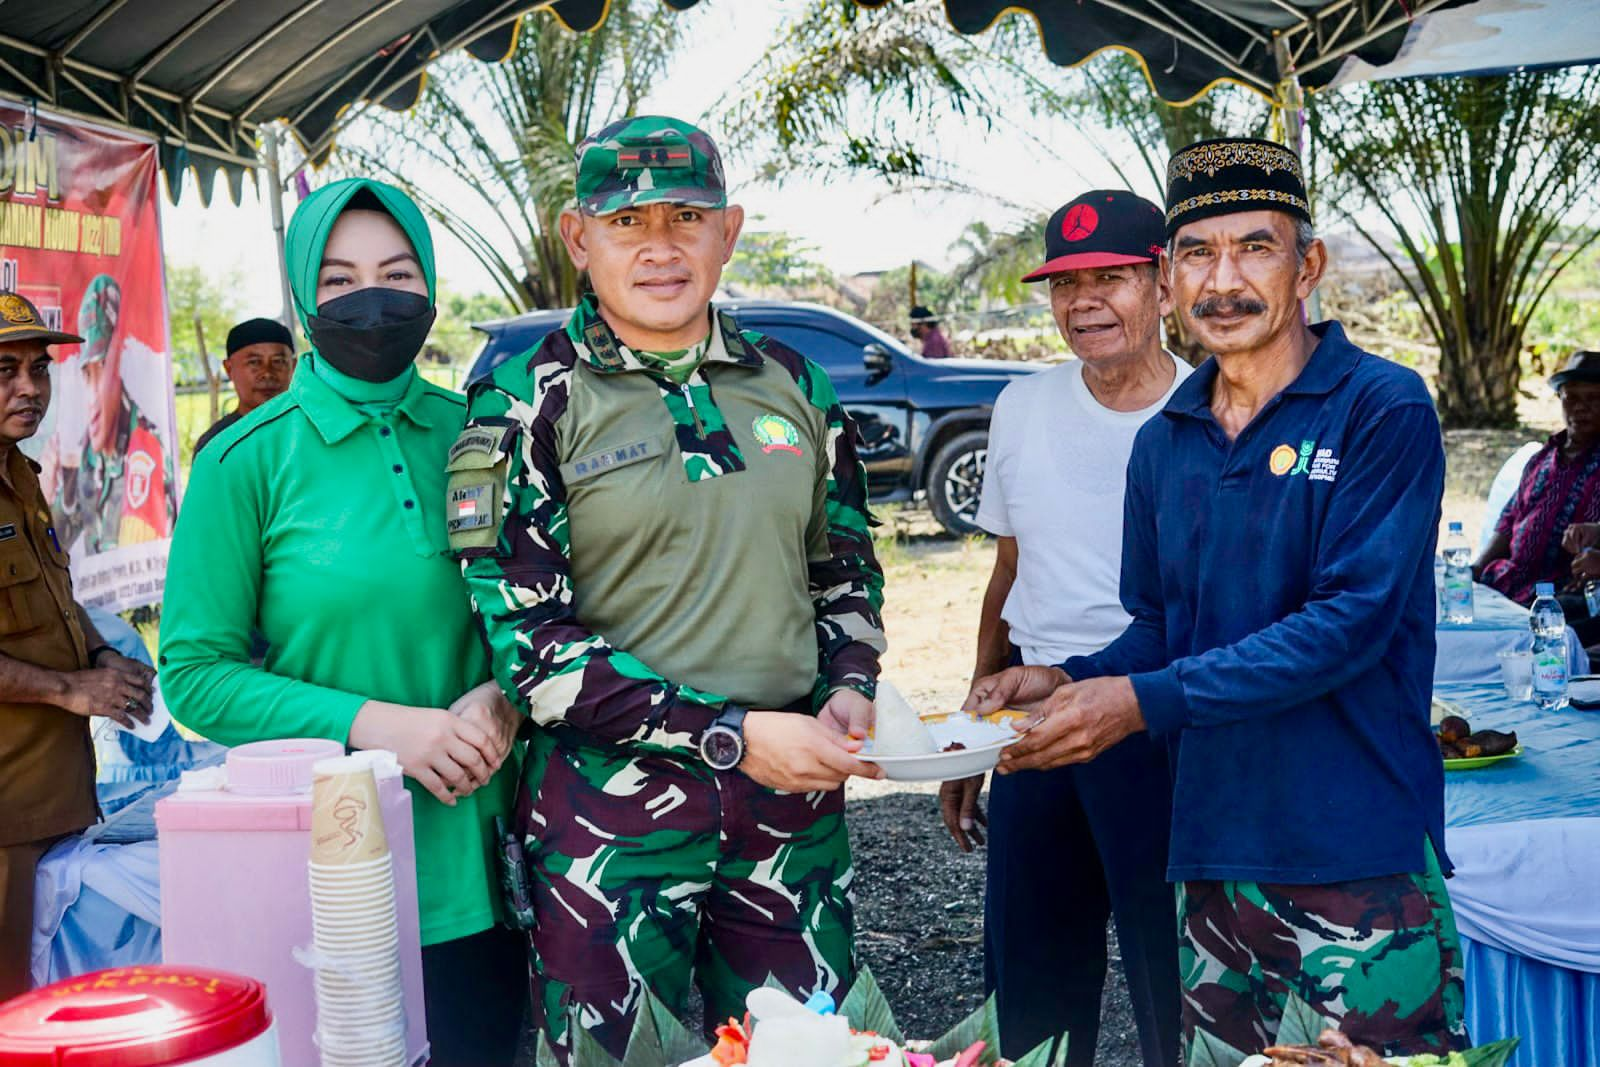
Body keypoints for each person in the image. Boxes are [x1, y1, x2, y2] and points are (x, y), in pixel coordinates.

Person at [969, 138, 1466, 1059]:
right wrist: (1059, 678)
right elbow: (1159, 625)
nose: (1223, 279)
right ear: (1172, 279)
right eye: (1198, 252)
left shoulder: (1381, 408)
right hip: (1210, 866)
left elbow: (1349, 620)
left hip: (1352, 857)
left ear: (1307, 264)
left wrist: (1135, 701)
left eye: (1256, 247)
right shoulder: (1171, 436)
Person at [452, 115, 887, 1060]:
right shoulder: (527, 401)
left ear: (727, 232)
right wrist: (731, 736)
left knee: (808, 1055)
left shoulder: (796, 385)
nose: (660, 247)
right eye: (628, 222)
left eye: (686, 218)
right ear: (579, 237)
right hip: (609, 821)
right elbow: (532, 652)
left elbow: (842, 564)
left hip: (792, 812)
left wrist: (851, 681)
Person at [159, 179, 524, 1063]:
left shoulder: (483, 434)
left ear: (431, 285)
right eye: (339, 280)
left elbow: (549, 609)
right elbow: (195, 673)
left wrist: (504, 697)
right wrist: (377, 729)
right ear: (300, 294)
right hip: (334, 875)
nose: (373, 299)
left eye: (398, 274)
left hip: (494, 860)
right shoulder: (246, 461)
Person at [940, 190, 1185, 1065]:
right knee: (1031, 988)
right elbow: (1009, 571)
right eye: (1065, 282)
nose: (1085, 301)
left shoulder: (1211, 412)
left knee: (1178, 981)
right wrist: (971, 732)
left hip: (1160, 721)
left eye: (1111, 276)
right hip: (1037, 720)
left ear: (1164, 281)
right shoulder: (1021, 406)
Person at [0, 291, 154, 1000]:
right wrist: (69, 689)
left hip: (54, 798)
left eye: (38, 368)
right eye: (5, 370)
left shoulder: (21, 476)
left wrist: (99, 657)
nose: (29, 388)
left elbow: (55, 601)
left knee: (43, 1002)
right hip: (7, 813)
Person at [1476, 350, 1600, 633]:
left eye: (1593, 399)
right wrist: (1475, 569)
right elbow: (1509, 520)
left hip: (1565, 597)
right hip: (1512, 583)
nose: (1581, 408)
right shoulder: (1541, 459)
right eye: (1572, 398)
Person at [52, 274, 176, 552]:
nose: (93, 396)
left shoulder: (146, 450)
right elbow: (50, 543)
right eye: (86, 374)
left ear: (119, 367)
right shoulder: (87, 455)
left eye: (102, 368)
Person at [193, 318, 296, 455]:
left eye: (278, 361)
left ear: (294, 366)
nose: (267, 373)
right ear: (229, 369)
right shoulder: (215, 444)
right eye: (254, 362)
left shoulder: (314, 431)